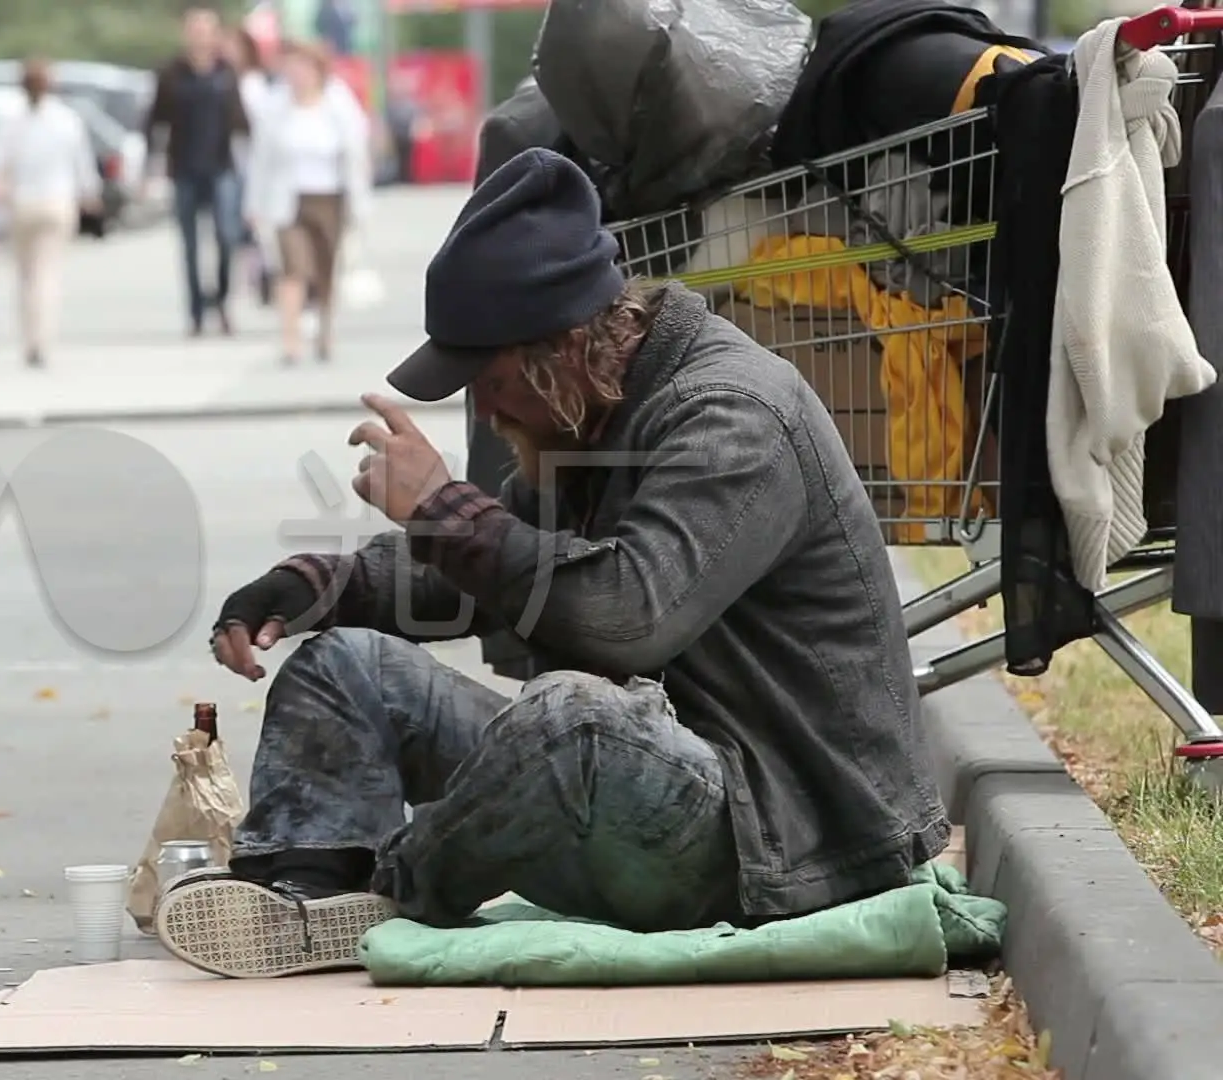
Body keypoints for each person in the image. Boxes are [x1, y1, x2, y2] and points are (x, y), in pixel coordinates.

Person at [154, 148, 950, 980]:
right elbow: (505, 572)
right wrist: (318, 585)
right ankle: (300, 892)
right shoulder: (587, 410)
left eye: (490, 382)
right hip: (650, 794)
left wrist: (440, 506)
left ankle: (389, 889)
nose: (485, 411)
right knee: (343, 667)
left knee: (569, 718)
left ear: (565, 348)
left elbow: (625, 618)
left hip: (785, 835)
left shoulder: (734, 415)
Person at [243, 41, 370, 366]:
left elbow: (357, 152)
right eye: (291, 67)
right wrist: (253, 204)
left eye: (304, 67)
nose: (297, 74)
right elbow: (260, 160)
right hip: (288, 199)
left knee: (326, 268)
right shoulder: (274, 107)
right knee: (293, 269)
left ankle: (325, 331)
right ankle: (291, 339)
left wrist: (362, 203)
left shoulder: (337, 102)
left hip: (330, 196)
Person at [144, 5, 249, 338]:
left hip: (221, 166)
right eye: (195, 29)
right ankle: (195, 312)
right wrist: (152, 165)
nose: (201, 36)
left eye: (207, 29)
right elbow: (153, 121)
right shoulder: (171, 74)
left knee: (225, 237)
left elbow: (242, 121)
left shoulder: (225, 72)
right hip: (184, 167)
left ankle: (221, 301)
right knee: (189, 244)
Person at [0, 58, 101, 369]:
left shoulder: (12, 121)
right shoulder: (66, 119)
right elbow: (82, 164)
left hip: (23, 201)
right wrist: (89, 196)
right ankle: (43, 339)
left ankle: (29, 338)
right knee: (48, 274)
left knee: (26, 276)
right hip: (56, 201)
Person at [225, 25, 276, 307]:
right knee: (235, 228)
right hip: (232, 162)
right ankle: (252, 276)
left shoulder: (254, 85)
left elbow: (264, 128)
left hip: (254, 162)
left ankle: (264, 274)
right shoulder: (224, 80)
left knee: (255, 226)